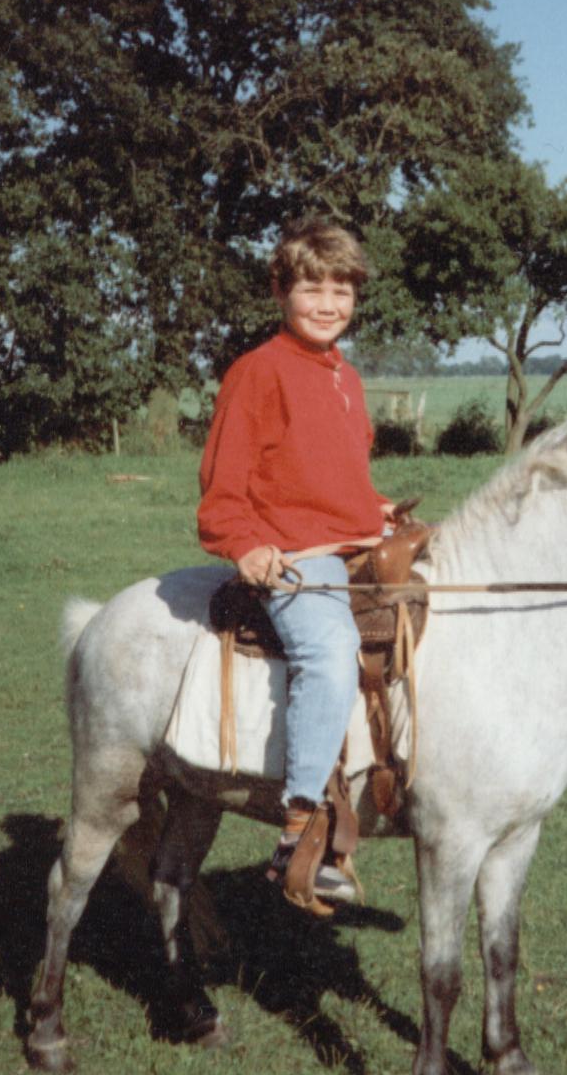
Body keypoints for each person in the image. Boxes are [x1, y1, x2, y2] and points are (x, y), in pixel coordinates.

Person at [197, 218, 395, 902]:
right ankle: (300, 825)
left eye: (341, 290)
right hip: (296, 553)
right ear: (280, 290)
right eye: (312, 287)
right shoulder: (257, 372)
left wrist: (377, 513)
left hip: (351, 541)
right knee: (331, 649)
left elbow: (336, 474)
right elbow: (224, 486)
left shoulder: (346, 376)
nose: (328, 303)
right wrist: (246, 545)